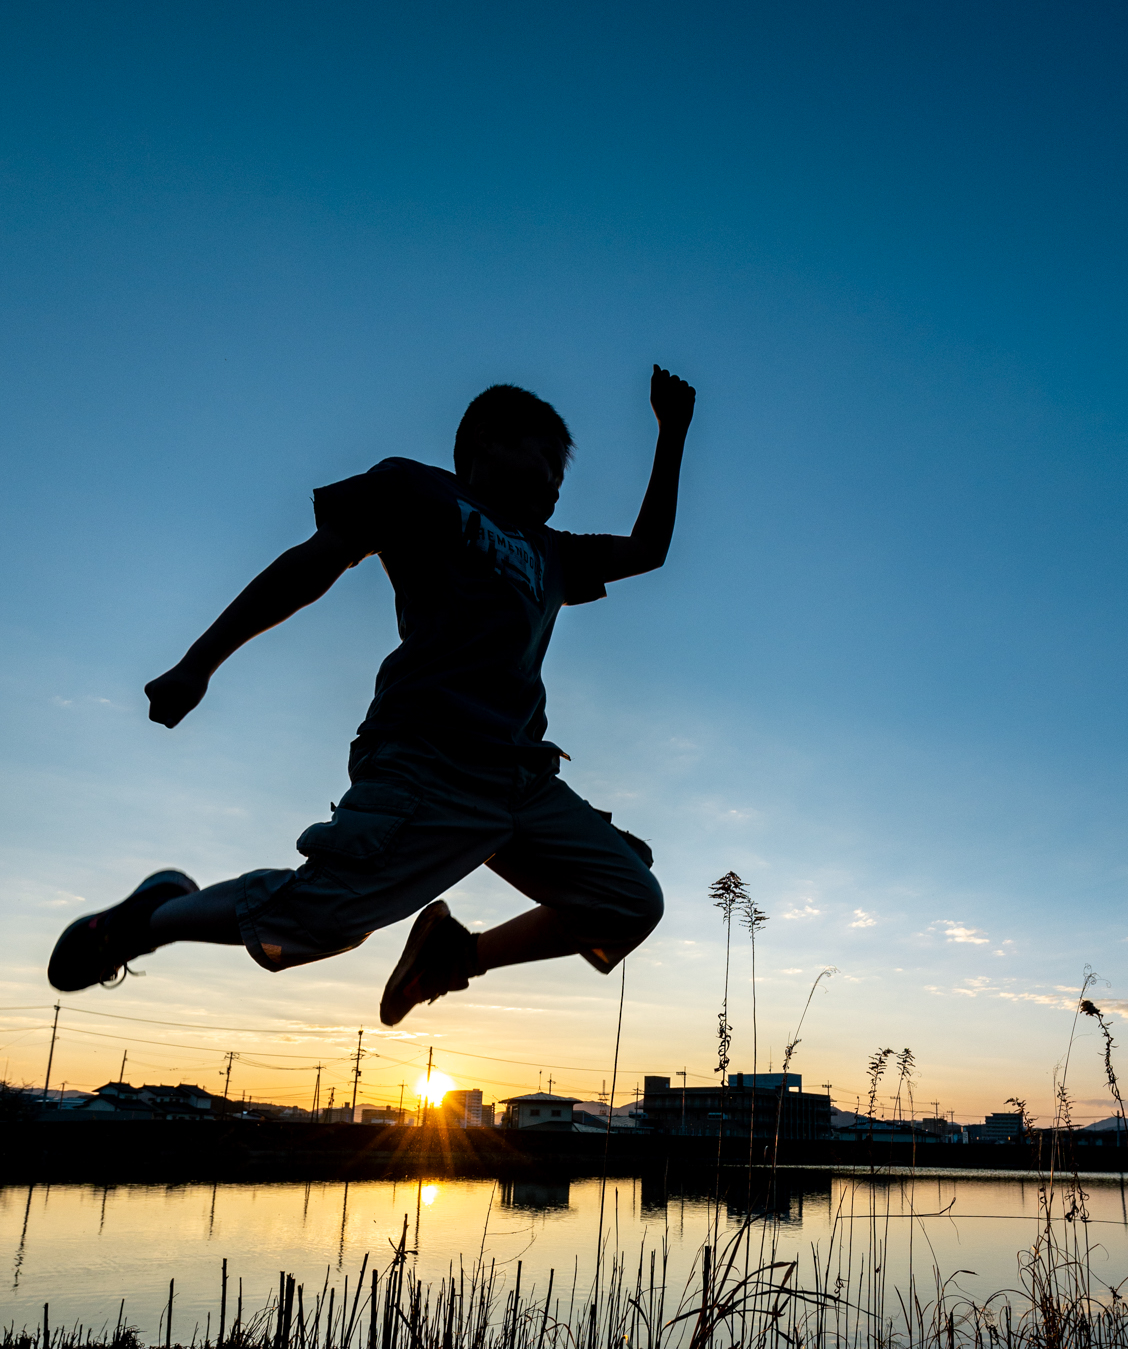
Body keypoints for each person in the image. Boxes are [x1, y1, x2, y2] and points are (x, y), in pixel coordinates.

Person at [48, 366, 695, 1027]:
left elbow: (648, 549)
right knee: (323, 917)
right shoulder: (419, 490)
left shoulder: (553, 554)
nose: (558, 480)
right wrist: (199, 663)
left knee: (629, 900)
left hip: (521, 777)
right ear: (488, 441)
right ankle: (150, 920)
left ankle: (451, 956)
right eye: (547, 457)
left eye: (564, 473)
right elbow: (314, 561)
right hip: (428, 758)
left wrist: (671, 433)